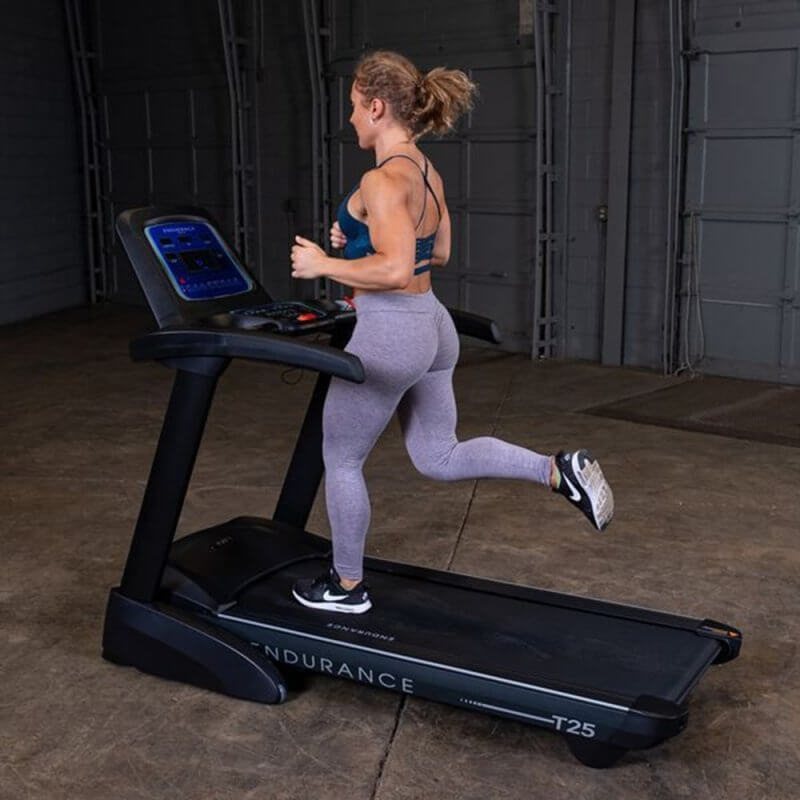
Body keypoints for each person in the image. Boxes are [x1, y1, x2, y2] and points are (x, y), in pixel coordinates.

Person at [289, 51, 613, 614]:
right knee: (437, 455)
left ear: (375, 105)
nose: (350, 121)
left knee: (340, 459)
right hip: (433, 328)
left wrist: (325, 265)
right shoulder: (425, 172)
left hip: (392, 332)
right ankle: (557, 470)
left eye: (352, 109)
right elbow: (434, 252)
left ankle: (346, 589)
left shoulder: (382, 177)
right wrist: (360, 244)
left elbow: (392, 270)